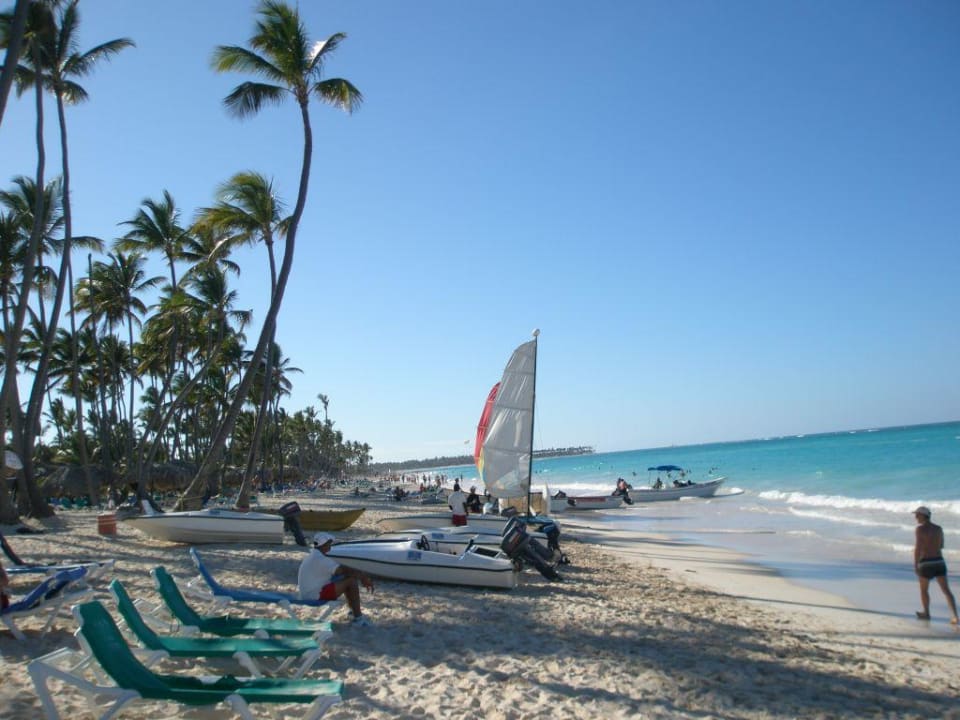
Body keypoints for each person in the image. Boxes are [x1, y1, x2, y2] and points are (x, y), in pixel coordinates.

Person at [298, 532, 375, 626]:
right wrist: (363, 576)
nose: (330, 546)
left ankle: (353, 612)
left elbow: (342, 572)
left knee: (348, 578)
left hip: (309, 592)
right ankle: (358, 618)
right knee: (351, 581)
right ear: (324, 544)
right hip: (314, 595)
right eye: (329, 543)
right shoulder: (321, 559)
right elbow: (343, 570)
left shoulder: (314, 555)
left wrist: (359, 576)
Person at [912, 506, 959, 624]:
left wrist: (915, 564)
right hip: (939, 561)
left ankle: (926, 612)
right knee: (946, 590)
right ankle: (955, 616)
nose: (916, 517)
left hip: (926, 563)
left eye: (917, 515)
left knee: (924, 590)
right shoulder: (939, 529)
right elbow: (941, 545)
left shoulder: (919, 529)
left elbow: (918, 548)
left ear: (924, 515)